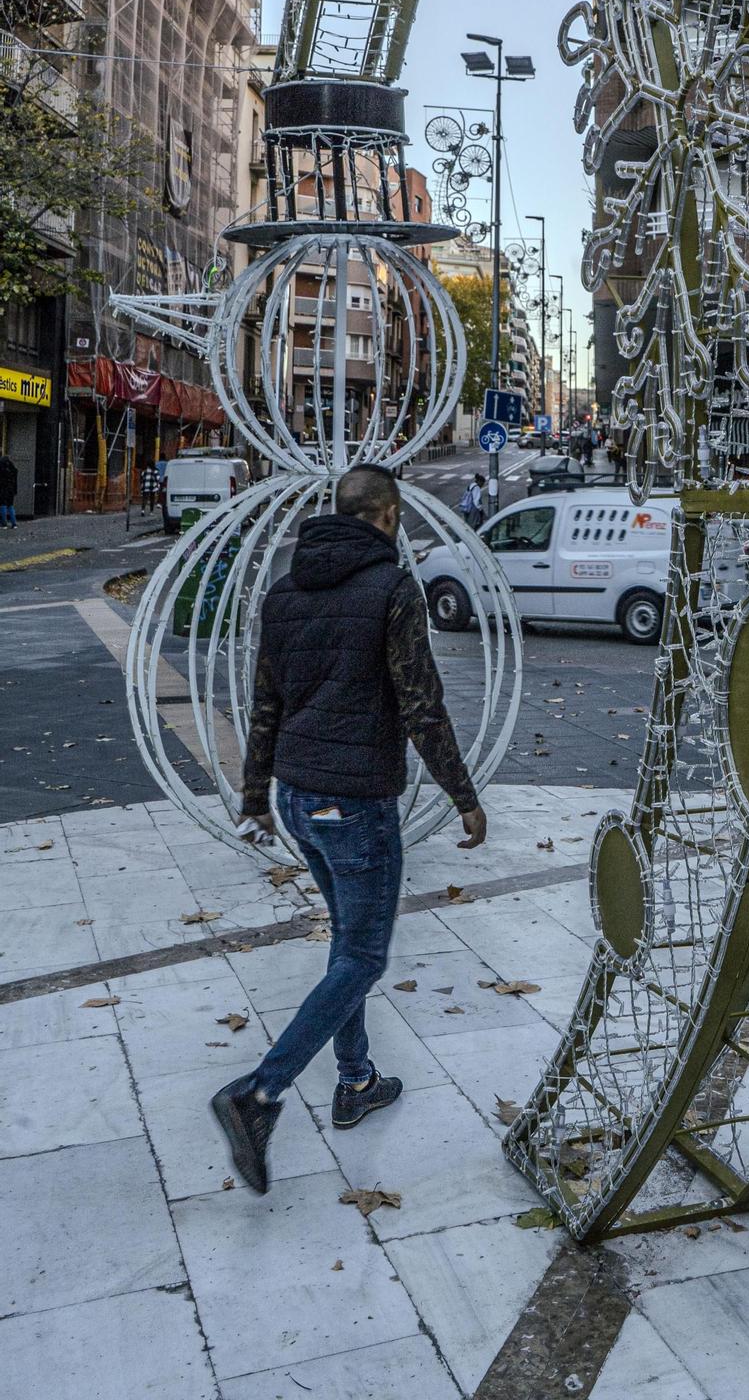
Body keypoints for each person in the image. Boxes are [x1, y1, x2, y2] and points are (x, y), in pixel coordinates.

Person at [211, 463, 486, 1193]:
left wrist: (255, 796)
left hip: (301, 797)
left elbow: (263, 699)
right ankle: (259, 1092)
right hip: (356, 801)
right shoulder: (393, 589)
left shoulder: (283, 591)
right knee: (363, 957)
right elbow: (420, 701)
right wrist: (463, 795)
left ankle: (356, 1081)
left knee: (344, 943)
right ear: (388, 516)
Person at [0, 451, 17, 529]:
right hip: (11, 490)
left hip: (3, 489)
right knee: (10, 506)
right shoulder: (13, 470)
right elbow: (15, 481)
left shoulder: (1, 469)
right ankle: (14, 523)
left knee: (2, 505)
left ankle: (4, 523)